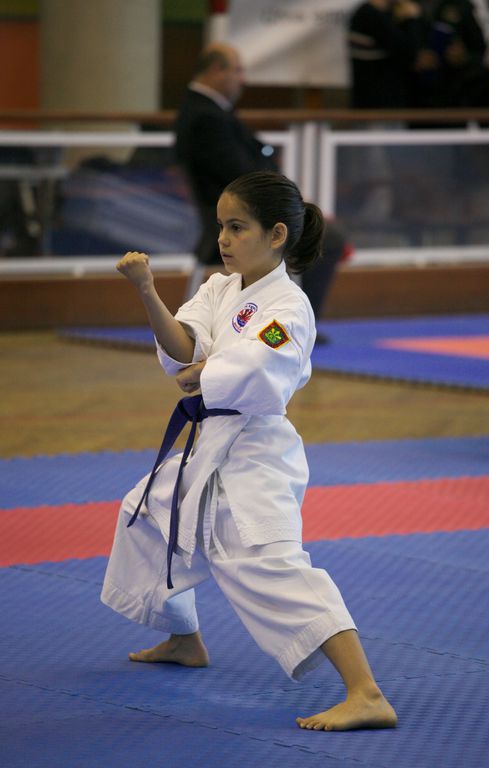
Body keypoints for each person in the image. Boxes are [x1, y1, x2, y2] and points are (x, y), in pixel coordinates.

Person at [101, 171, 397, 732]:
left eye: (237, 227)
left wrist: (203, 373)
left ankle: (366, 692)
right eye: (221, 226)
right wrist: (147, 290)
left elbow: (262, 362)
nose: (224, 238)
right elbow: (181, 345)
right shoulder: (220, 288)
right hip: (212, 443)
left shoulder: (289, 309)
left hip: (257, 451)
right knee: (148, 515)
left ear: (276, 234)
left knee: (270, 565)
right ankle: (185, 639)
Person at [174, 42, 345, 325]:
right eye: (238, 71)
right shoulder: (206, 117)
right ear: (217, 70)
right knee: (329, 237)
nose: (243, 79)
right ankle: (297, 323)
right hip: (244, 219)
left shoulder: (211, 111)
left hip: (247, 214)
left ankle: (288, 320)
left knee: (323, 229)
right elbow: (243, 177)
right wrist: (291, 207)